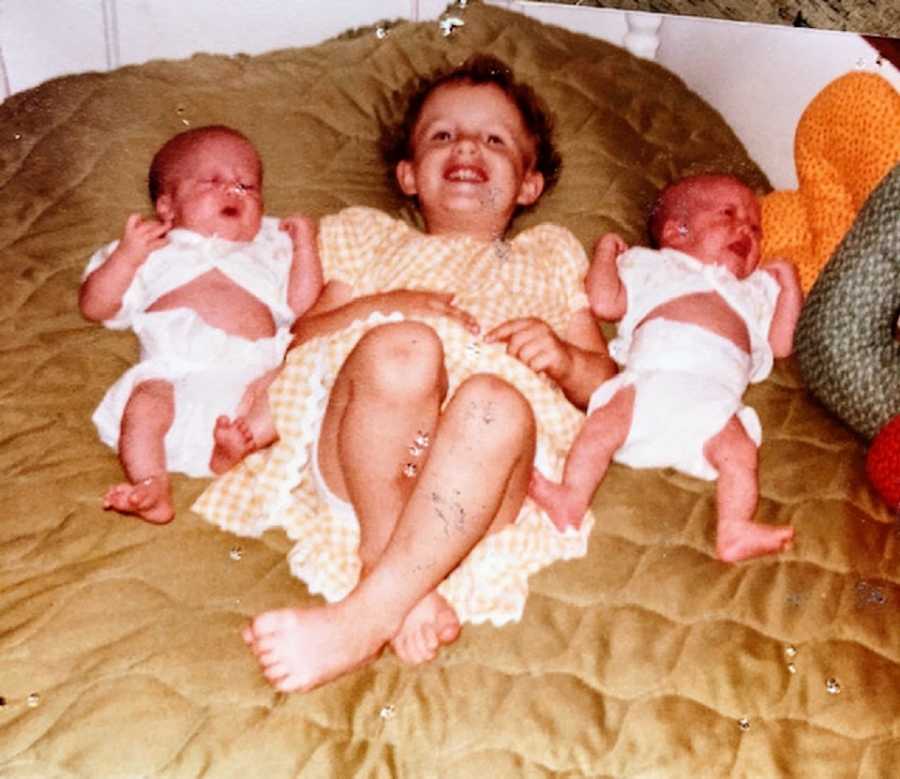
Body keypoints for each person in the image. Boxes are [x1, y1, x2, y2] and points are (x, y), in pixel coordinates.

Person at [192, 55, 617, 691]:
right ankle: (385, 565)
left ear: (529, 184)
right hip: (363, 456)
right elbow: (303, 339)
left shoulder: (551, 256)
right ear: (409, 174)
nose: (468, 145)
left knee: (494, 400)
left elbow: (608, 391)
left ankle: (365, 614)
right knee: (405, 347)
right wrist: (389, 305)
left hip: (478, 487)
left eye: (495, 140)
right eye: (443, 135)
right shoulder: (368, 239)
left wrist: (562, 355)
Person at [529, 174, 802, 562]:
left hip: (714, 399)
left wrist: (790, 290)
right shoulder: (653, 265)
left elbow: (779, 346)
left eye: (756, 228)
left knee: (740, 452)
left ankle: (734, 528)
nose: (747, 229)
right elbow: (605, 303)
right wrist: (605, 253)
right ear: (677, 230)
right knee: (601, 426)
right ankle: (571, 497)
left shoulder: (755, 290)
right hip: (649, 381)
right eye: (729, 214)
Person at [79, 125, 323, 524]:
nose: (234, 191)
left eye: (248, 185)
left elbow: (303, 309)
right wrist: (126, 256)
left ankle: (230, 455)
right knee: (142, 407)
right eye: (213, 181)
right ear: (167, 207)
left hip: (252, 372)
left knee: (298, 380)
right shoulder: (152, 247)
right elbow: (96, 306)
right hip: (175, 369)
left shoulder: (270, 245)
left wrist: (305, 247)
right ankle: (150, 483)